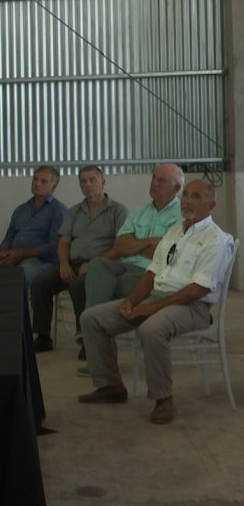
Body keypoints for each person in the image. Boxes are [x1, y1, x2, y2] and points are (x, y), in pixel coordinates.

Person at [78, 179, 232, 425]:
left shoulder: (216, 239)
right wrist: (131, 301)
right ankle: (111, 386)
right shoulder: (174, 232)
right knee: (92, 318)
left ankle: (164, 400)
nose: (187, 201)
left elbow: (198, 289)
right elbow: (151, 273)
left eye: (196, 197)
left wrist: (150, 308)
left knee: (151, 329)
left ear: (211, 205)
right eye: (186, 195)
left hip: (192, 307)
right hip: (158, 298)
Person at [30, 166, 127, 355]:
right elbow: (64, 242)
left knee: (78, 285)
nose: (87, 184)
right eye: (83, 181)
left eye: (92, 180)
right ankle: (43, 337)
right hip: (73, 263)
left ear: (103, 182)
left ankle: (88, 341)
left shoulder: (117, 211)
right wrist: (64, 263)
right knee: (40, 283)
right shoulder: (75, 211)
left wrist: (94, 264)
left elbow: (120, 246)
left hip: (104, 265)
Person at [81, 163, 184, 313]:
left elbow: (164, 253)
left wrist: (133, 246)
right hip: (125, 266)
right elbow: (120, 245)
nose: (154, 183)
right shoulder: (139, 212)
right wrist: (150, 242)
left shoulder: (182, 216)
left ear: (176, 188)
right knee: (97, 264)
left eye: (161, 180)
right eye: (154, 178)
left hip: (149, 273)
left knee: (98, 286)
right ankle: (95, 321)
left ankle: (93, 322)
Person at [0, 165, 68, 286]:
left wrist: (21, 254)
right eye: (35, 179)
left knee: (18, 275)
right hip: (12, 256)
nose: (37, 184)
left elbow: (54, 248)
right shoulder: (21, 210)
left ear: (53, 187)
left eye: (43, 181)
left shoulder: (59, 211)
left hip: (39, 261)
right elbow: (8, 238)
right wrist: (4, 252)